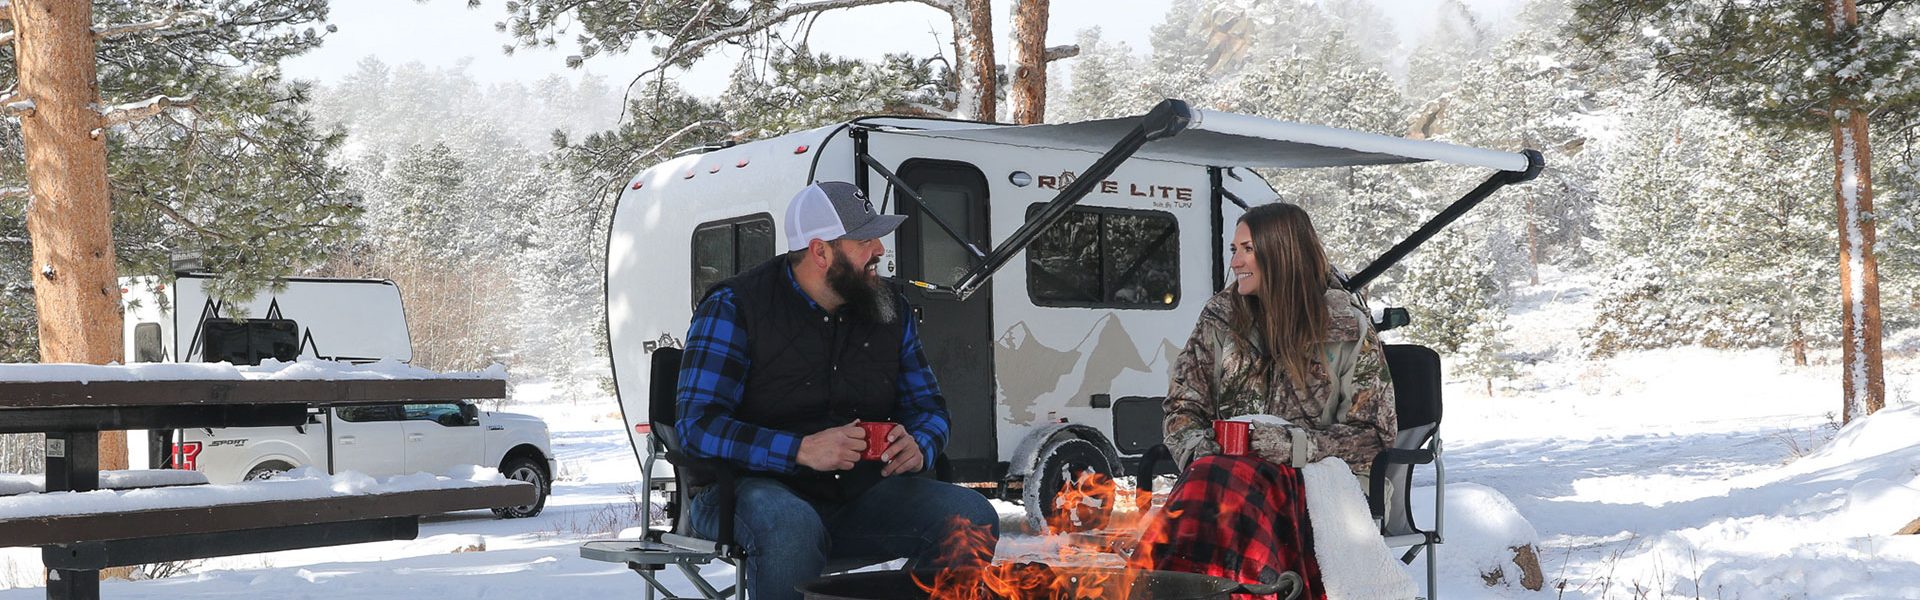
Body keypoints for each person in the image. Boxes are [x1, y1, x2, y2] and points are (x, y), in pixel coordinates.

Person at [676, 181, 1000, 600]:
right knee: (789, 523)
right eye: (865, 239)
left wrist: (919, 443)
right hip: (746, 494)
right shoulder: (735, 307)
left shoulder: (889, 308)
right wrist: (799, 449)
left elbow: (929, 407)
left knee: (971, 517)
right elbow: (695, 427)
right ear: (820, 251)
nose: (880, 250)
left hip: (857, 494)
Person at [1138, 202, 1397, 599]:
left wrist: (1297, 447)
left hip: (1324, 481)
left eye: (1247, 249)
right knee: (1220, 482)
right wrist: (1205, 451)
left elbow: (1376, 437)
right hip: (1225, 477)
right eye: (1233, 250)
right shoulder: (1220, 319)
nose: (1236, 262)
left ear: (1282, 252)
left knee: (1233, 488)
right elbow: (1182, 408)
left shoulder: (1346, 327)